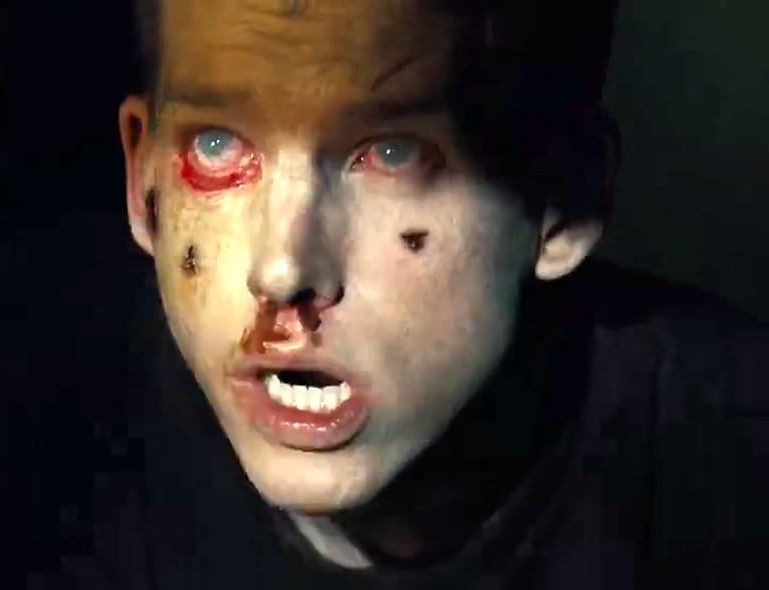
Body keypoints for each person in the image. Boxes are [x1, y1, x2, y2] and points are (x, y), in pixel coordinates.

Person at [90, 0, 769, 587]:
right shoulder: (51, 454)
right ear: (142, 179)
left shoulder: (731, 453)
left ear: (563, 196)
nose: (283, 271)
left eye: (394, 154)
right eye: (215, 145)